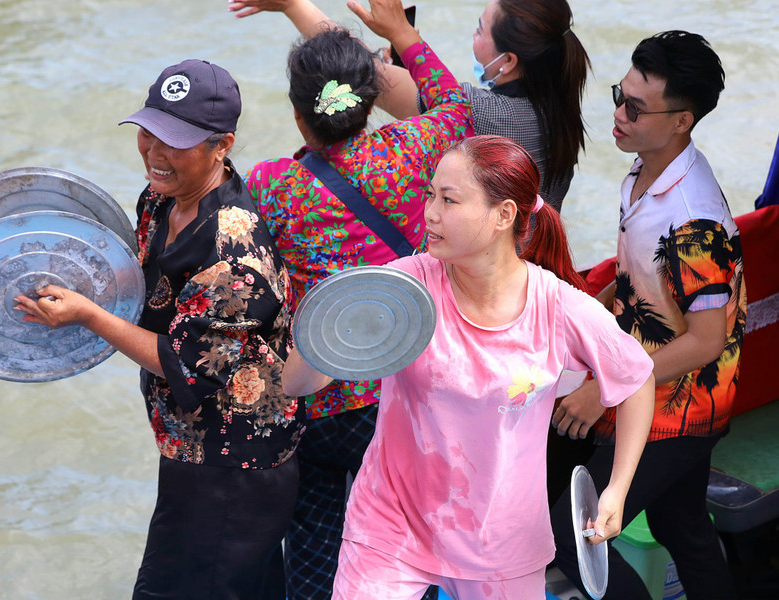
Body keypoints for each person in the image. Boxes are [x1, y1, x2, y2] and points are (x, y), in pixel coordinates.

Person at [282, 134, 656, 599]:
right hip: (391, 523)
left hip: (502, 538)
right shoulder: (403, 290)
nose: (431, 213)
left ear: (504, 215)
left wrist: (617, 490)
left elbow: (636, 380)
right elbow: (297, 384)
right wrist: (327, 326)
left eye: (450, 200)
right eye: (431, 195)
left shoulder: (557, 307)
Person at [14, 59, 304, 600]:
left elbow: (184, 361)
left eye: (176, 141)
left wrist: (87, 314)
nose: (155, 152)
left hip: (233, 464)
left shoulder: (235, 255)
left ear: (223, 146)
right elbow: (142, 291)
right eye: (149, 132)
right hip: (190, 443)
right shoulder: (159, 199)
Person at [236, 1, 471, 598]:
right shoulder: (416, 150)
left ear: (296, 112)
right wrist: (401, 34)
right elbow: (455, 106)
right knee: (403, 538)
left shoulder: (272, 184)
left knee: (314, 539)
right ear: (368, 101)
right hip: (404, 386)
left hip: (319, 396)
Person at [550, 31, 746, 600]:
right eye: (619, 95)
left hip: (685, 404)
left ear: (682, 120)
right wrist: (597, 301)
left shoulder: (694, 221)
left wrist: (603, 388)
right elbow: (642, 274)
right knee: (678, 525)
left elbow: (706, 341)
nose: (618, 115)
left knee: (572, 535)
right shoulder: (645, 168)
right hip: (654, 380)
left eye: (635, 108)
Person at [229, 0, 590, 212]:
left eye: (480, 30)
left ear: (508, 61)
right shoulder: (558, 105)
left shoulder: (478, 112)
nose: (473, 35)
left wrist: (294, 5)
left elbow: (355, 70)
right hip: (534, 272)